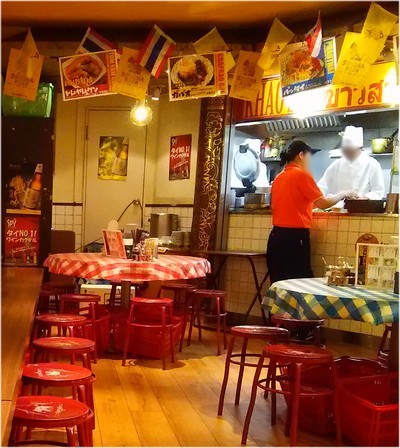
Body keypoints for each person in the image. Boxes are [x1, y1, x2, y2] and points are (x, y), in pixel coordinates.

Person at [267, 140, 355, 284]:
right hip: (294, 239)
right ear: (301, 155)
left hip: (276, 237)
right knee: (301, 282)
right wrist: (343, 193)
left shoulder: (279, 177)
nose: (310, 161)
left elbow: (292, 204)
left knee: (280, 282)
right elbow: (323, 203)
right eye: (309, 156)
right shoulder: (301, 175)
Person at [318, 126, 385, 202]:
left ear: (359, 148)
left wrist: (364, 198)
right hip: (337, 207)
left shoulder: (372, 164)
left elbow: (378, 191)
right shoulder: (336, 164)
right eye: (346, 149)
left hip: (361, 207)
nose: (348, 152)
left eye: (351, 150)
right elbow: (321, 187)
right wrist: (319, 199)